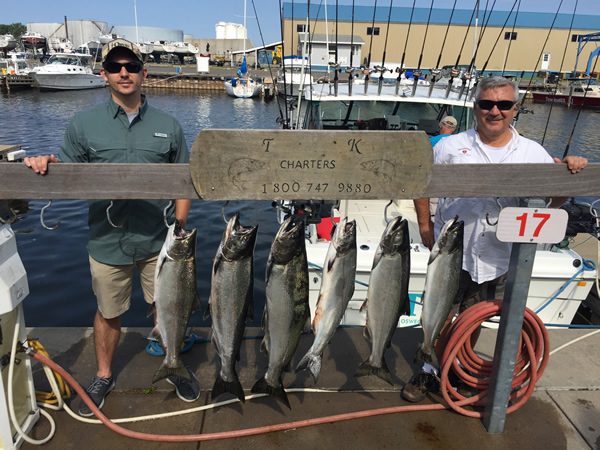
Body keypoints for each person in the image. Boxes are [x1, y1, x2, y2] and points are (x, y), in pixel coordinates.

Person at [24, 39, 197, 415]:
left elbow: (185, 182)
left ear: (143, 73)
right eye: (116, 66)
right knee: (108, 311)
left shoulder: (168, 126)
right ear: (104, 74)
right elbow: (65, 172)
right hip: (107, 240)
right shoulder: (83, 124)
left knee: (168, 305)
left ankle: (173, 363)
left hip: (159, 240)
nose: (124, 72)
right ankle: (103, 374)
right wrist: (43, 163)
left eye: (132, 66)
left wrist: (178, 231)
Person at [404, 76, 588, 403]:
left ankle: (453, 368)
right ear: (475, 108)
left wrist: (569, 173)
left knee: (471, 319)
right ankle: (428, 372)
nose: (495, 111)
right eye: (487, 103)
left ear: (514, 109)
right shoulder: (449, 145)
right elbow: (418, 177)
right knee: (439, 311)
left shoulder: (533, 152)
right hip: (452, 252)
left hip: (499, 255)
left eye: (503, 105)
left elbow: (550, 202)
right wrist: (424, 222)